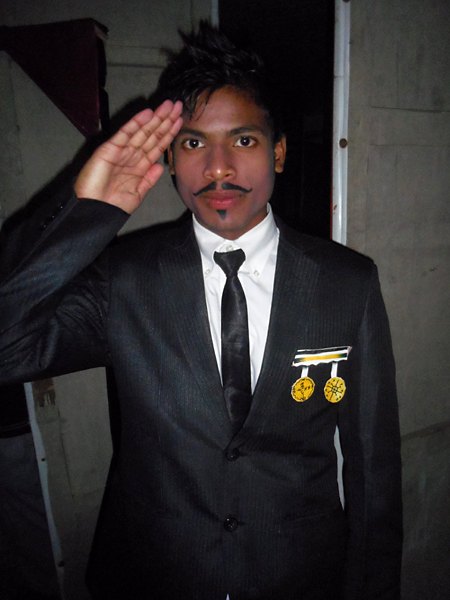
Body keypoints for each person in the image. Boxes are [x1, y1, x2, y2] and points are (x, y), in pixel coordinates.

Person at [0, 22, 402, 600]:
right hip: (156, 575)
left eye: (243, 141)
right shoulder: (126, 279)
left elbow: (373, 468)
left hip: (297, 574)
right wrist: (83, 212)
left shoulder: (347, 283)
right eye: (193, 144)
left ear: (278, 151)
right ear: (169, 156)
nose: (218, 169)